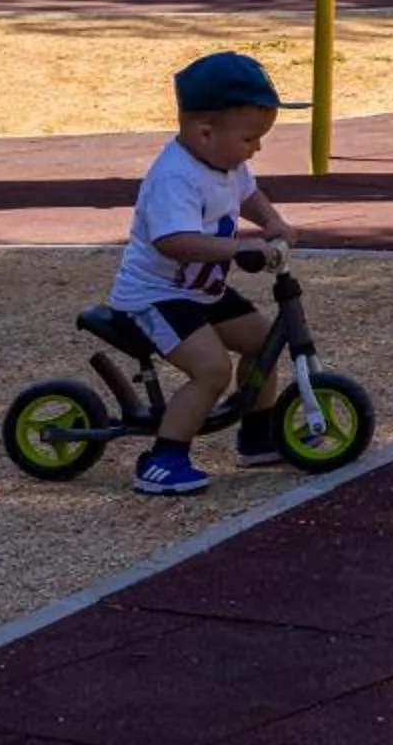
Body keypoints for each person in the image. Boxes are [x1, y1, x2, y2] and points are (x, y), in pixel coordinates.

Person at [111, 51, 296, 493]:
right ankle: (163, 459)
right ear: (205, 132)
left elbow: (248, 193)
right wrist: (238, 249)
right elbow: (173, 242)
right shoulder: (174, 177)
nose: (257, 148)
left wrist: (272, 223)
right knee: (211, 370)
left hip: (200, 292)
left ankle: (256, 434)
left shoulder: (225, 160)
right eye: (251, 138)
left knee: (264, 341)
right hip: (156, 297)